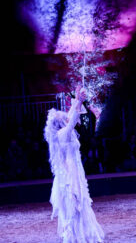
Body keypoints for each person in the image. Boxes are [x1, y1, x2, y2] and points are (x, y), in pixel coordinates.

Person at [44, 85, 104, 243]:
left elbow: (70, 117)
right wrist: (79, 101)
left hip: (74, 168)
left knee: (79, 203)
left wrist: (77, 99)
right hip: (70, 172)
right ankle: (72, 236)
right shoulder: (63, 134)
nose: (66, 118)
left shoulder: (60, 133)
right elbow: (72, 121)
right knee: (73, 202)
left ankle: (78, 234)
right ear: (60, 123)